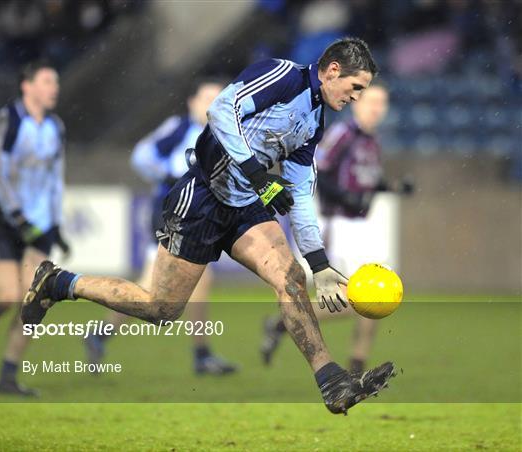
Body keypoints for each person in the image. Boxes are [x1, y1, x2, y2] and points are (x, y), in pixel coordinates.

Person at [22, 38, 395, 415]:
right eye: (356, 88)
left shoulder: (314, 121)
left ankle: (332, 384)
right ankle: (59, 281)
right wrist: (259, 176)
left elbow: (299, 195)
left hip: (244, 205)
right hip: (200, 198)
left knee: (292, 277)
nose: (357, 98)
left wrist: (320, 265)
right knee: (160, 309)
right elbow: (221, 110)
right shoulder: (283, 76)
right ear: (333, 71)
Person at [84, 80, 237, 375]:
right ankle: (201, 355)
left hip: (198, 216)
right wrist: (170, 175)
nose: (211, 104)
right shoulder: (180, 128)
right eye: (206, 97)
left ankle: (100, 334)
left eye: (217, 98)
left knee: (156, 287)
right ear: (192, 102)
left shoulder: (222, 134)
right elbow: (142, 155)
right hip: (172, 213)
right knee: (187, 283)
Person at [261, 81, 411, 372]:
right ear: (357, 103)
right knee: (362, 297)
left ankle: (357, 365)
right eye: (371, 102)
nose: (376, 108)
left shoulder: (371, 140)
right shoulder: (343, 134)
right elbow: (321, 173)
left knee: (376, 293)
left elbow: (367, 179)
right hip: (337, 224)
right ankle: (283, 323)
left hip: (361, 225)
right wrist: (346, 196)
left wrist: (393, 187)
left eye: (381, 103)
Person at [0, 60, 69, 396]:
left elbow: (55, 177)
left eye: (56, 81)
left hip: (40, 226)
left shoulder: (56, 126)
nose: (54, 88)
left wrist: (56, 222)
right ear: (27, 85)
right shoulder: (11, 120)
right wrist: (17, 215)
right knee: (7, 298)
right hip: (7, 222)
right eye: (48, 80)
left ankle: (7, 376)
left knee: (34, 301)